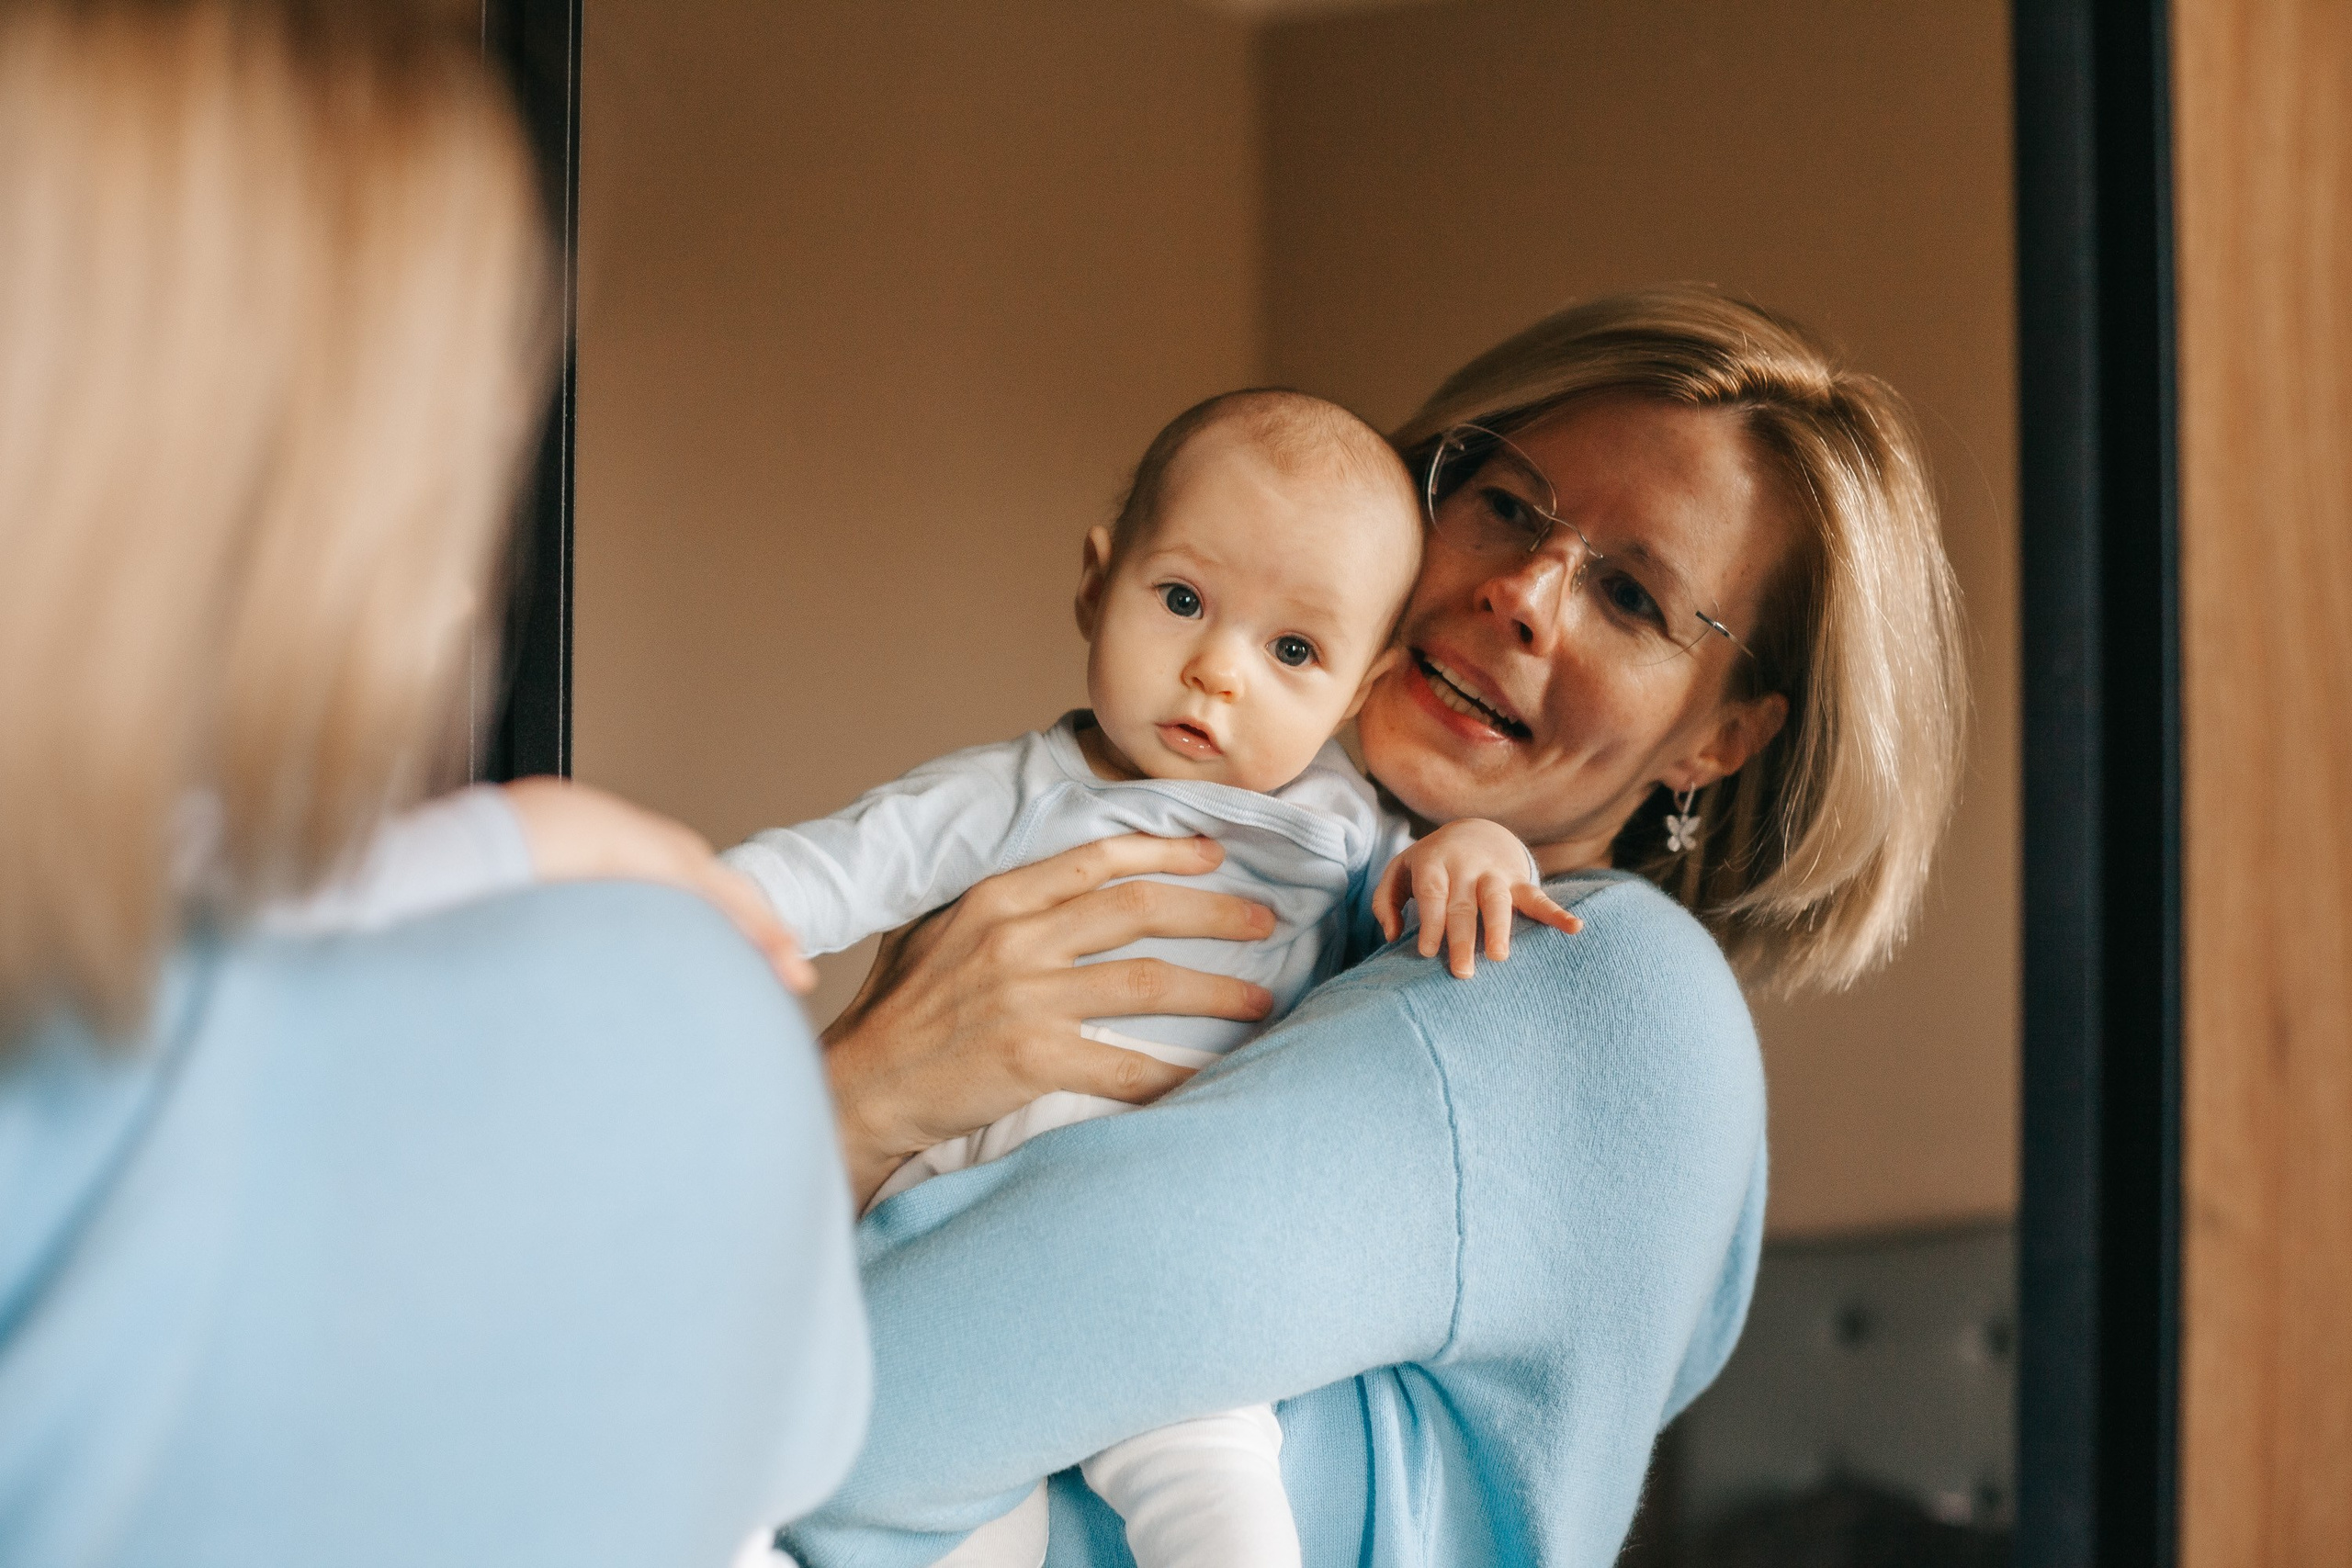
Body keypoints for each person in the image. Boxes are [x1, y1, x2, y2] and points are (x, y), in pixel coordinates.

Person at [776, 285, 1969, 1568]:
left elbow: (837, 1431)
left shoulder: (1593, 983)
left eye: (1630, 595)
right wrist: (865, 1100)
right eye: (1508, 505)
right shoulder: (1303, 896)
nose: (1524, 590)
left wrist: (851, 1107)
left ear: (1721, 735)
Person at [0, 4, 858, 1562]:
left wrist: (498, 840)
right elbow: (789, 1470)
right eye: (444, 479)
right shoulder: (673, 1016)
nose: (465, 597)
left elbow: (157, 881)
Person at [724, 389, 1577, 1568]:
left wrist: (1477, 847)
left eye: (1293, 650)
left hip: (1163, 1261)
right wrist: (657, 920)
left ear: (1362, 685)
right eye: (1181, 600)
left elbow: (1426, 919)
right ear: (1095, 582)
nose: (1216, 671)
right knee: (755, 1426)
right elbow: (823, 872)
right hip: (944, 1209)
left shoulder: (1338, 831)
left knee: (1216, 1478)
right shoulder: (1009, 794)